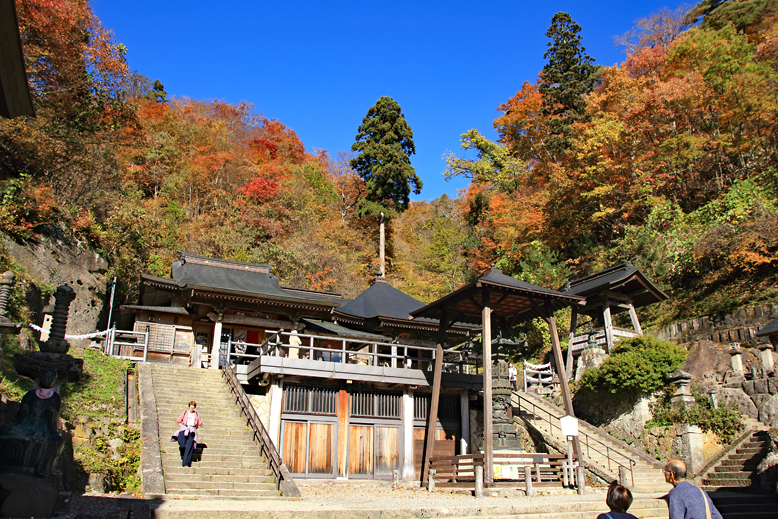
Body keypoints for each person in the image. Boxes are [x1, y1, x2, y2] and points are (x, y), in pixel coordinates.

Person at [172, 401, 202, 467]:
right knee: (182, 444)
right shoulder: (185, 413)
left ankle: (186, 463)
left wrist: (194, 428)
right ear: (189, 407)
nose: (192, 409)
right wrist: (182, 427)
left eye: (193, 408)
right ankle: (182, 454)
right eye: (191, 408)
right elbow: (178, 420)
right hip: (184, 429)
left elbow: (199, 423)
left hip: (191, 431)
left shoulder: (196, 414)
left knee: (189, 447)